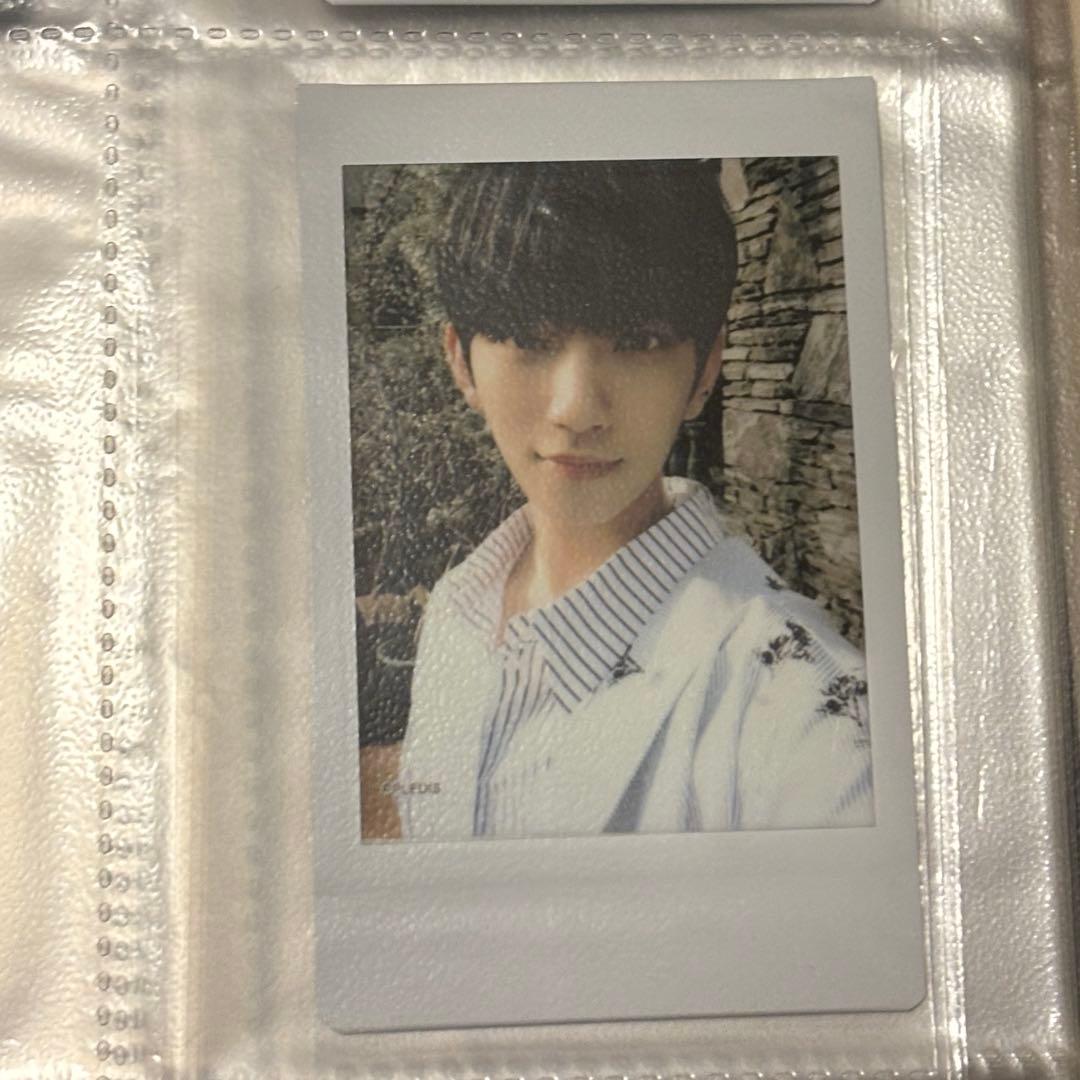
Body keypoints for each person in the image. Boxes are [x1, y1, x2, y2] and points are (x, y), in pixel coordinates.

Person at [392, 161, 872, 840]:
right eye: (529, 339)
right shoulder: (456, 611)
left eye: (638, 341)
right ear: (461, 362)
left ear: (706, 370)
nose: (576, 409)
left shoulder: (801, 709)